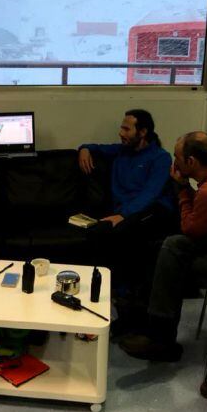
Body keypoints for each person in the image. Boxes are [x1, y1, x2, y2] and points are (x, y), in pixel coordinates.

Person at [118, 131, 207, 361]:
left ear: (191, 161)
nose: (173, 161)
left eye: (177, 157)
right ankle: (144, 323)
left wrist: (182, 188)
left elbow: (190, 227)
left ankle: (160, 340)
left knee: (170, 259)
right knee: (169, 246)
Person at [77, 109, 175, 293]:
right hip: (124, 211)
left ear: (142, 132)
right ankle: (100, 287)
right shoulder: (121, 151)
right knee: (96, 232)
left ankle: (123, 294)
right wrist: (84, 148)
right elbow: (95, 147)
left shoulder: (160, 158)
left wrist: (123, 215)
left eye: (126, 129)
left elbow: (150, 194)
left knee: (121, 233)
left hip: (150, 210)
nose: (121, 133)